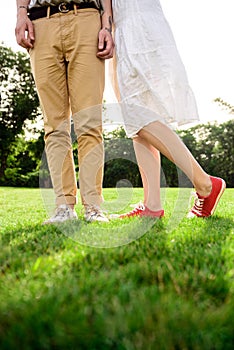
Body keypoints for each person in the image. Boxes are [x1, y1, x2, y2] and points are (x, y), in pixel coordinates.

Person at [109, 0, 226, 218]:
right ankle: (152, 205)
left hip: (136, 29)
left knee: (138, 117)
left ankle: (205, 183)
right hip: (126, 29)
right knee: (137, 123)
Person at [15, 0, 115, 224]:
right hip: (41, 23)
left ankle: (93, 206)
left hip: (87, 17)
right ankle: (63, 206)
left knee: (90, 122)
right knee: (54, 124)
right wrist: (21, 15)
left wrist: (106, 24)